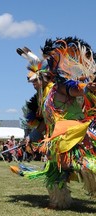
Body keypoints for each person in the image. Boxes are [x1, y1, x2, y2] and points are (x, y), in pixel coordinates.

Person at [13, 37, 96, 209]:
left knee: (85, 167)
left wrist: (87, 88)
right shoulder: (43, 97)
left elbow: (76, 89)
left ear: (44, 76)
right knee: (54, 172)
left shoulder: (60, 87)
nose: (33, 84)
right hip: (56, 140)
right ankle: (59, 202)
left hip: (74, 136)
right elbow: (44, 121)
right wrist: (33, 136)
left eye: (35, 80)